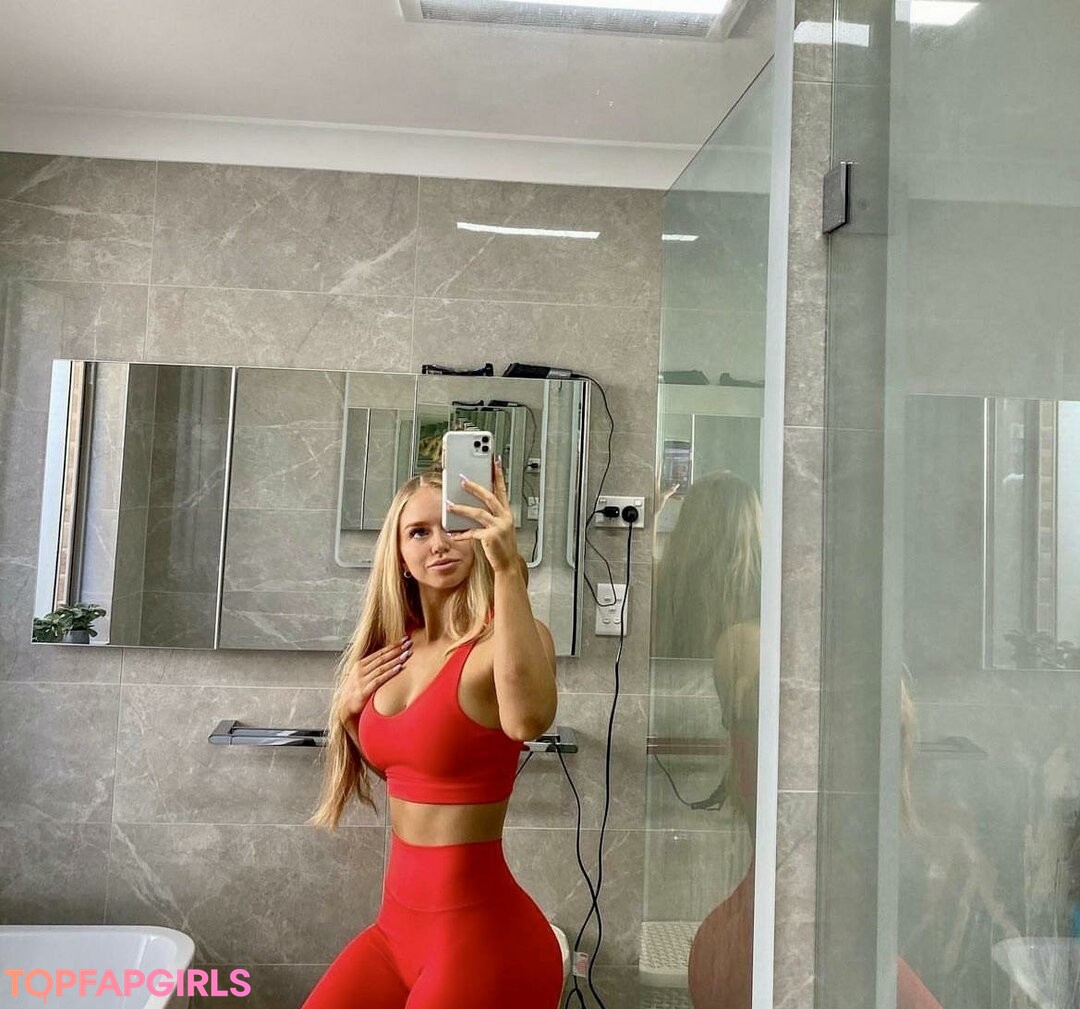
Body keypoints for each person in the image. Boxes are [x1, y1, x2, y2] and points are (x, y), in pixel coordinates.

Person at [304, 457, 563, 1008]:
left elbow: (528, 721)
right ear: (398, 555)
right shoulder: (394, 650)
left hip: (483, 939)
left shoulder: (505, 640)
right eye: (418, 532)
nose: (439, 544)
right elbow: (415, 774)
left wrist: (508, 568)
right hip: (394, 934)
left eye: (454, 527)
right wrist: (348, 716)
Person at [651, 470, 762, 1008]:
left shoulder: (664, 585)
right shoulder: (768, 610)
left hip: (671, 773)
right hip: (736, 789)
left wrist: (651, 519)